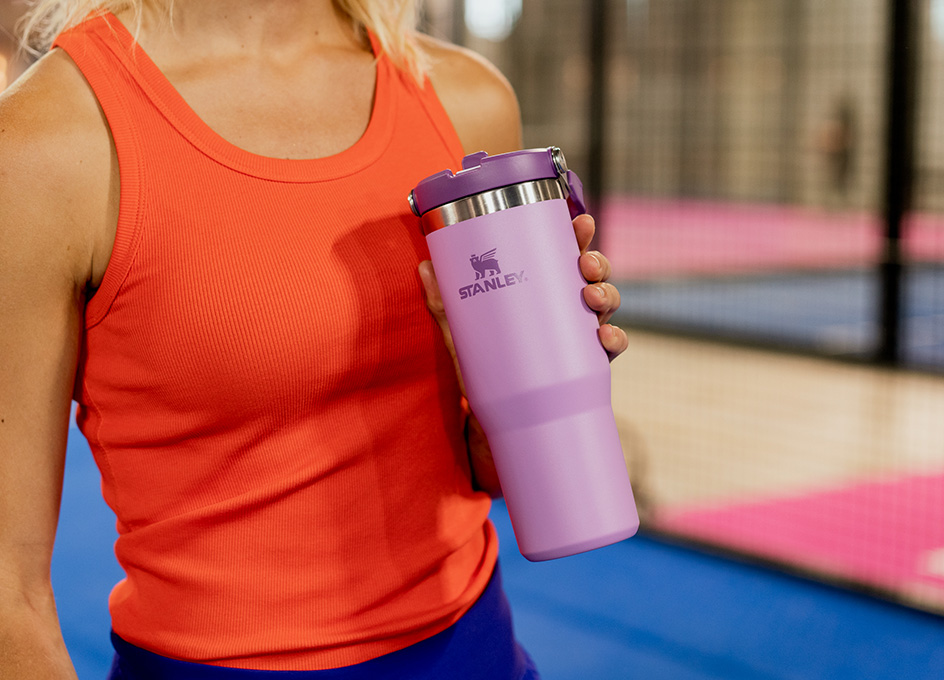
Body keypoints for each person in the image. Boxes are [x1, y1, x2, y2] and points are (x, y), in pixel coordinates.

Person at [0, 1, 629, 678]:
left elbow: (480, 467)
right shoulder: (48, 141)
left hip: (479, 652)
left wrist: (539, 387)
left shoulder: (464, 98)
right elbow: (9, 595)